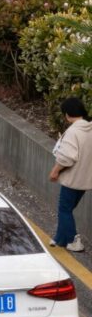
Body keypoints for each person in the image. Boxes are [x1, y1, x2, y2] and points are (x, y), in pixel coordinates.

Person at [50, 97, 92, 252]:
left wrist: (55, 170)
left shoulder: (73, 132)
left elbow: (67, 157)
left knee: (64, 209)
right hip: (85, 179)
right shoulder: (89, 128)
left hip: (72, 178)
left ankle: (74, 240)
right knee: (67, 208)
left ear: (67, 114)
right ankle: (60, 239)